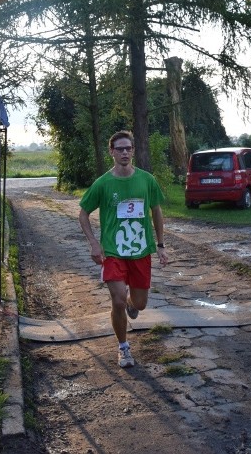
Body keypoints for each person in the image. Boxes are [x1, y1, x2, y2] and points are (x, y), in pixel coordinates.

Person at [78, 131, 168, 368]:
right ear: (112, 152)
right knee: (117, 301)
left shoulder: (147, 180)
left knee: (139, 303)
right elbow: (83, 213)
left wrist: (160, 245)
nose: (125, 152)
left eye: (128, 148)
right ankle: (123, 347)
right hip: (113, 252)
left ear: (133, 151)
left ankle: (131, 303)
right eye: (120, 149)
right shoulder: (103, 183)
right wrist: (94, 243)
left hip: (140, 252)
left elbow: (156, 211)